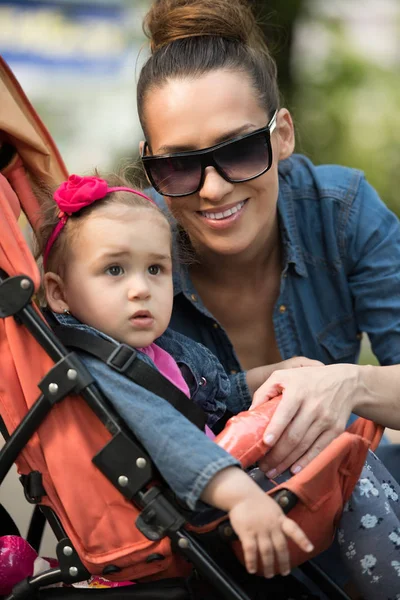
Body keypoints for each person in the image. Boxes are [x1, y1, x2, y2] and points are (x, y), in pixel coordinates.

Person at [35, 174, 400, 598]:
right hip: (204, 499)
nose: (140, 290)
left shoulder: (154, 351)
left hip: (220, 481)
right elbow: (169, 437)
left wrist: (275, 372)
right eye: (114, 270)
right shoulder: (102, 368)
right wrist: (242, 496)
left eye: (156, 269)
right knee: (346, 463)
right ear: (59, 294)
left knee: (345, 451)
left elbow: (215, 394)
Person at [137, 0, 400, 487]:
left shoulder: (341, 211)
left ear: (282, 135)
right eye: (179, 165)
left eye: (239, 149)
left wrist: (348, 382)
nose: (213, 189)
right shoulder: (125, 245)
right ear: (150, 164)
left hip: (343, 501)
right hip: (202, 538)